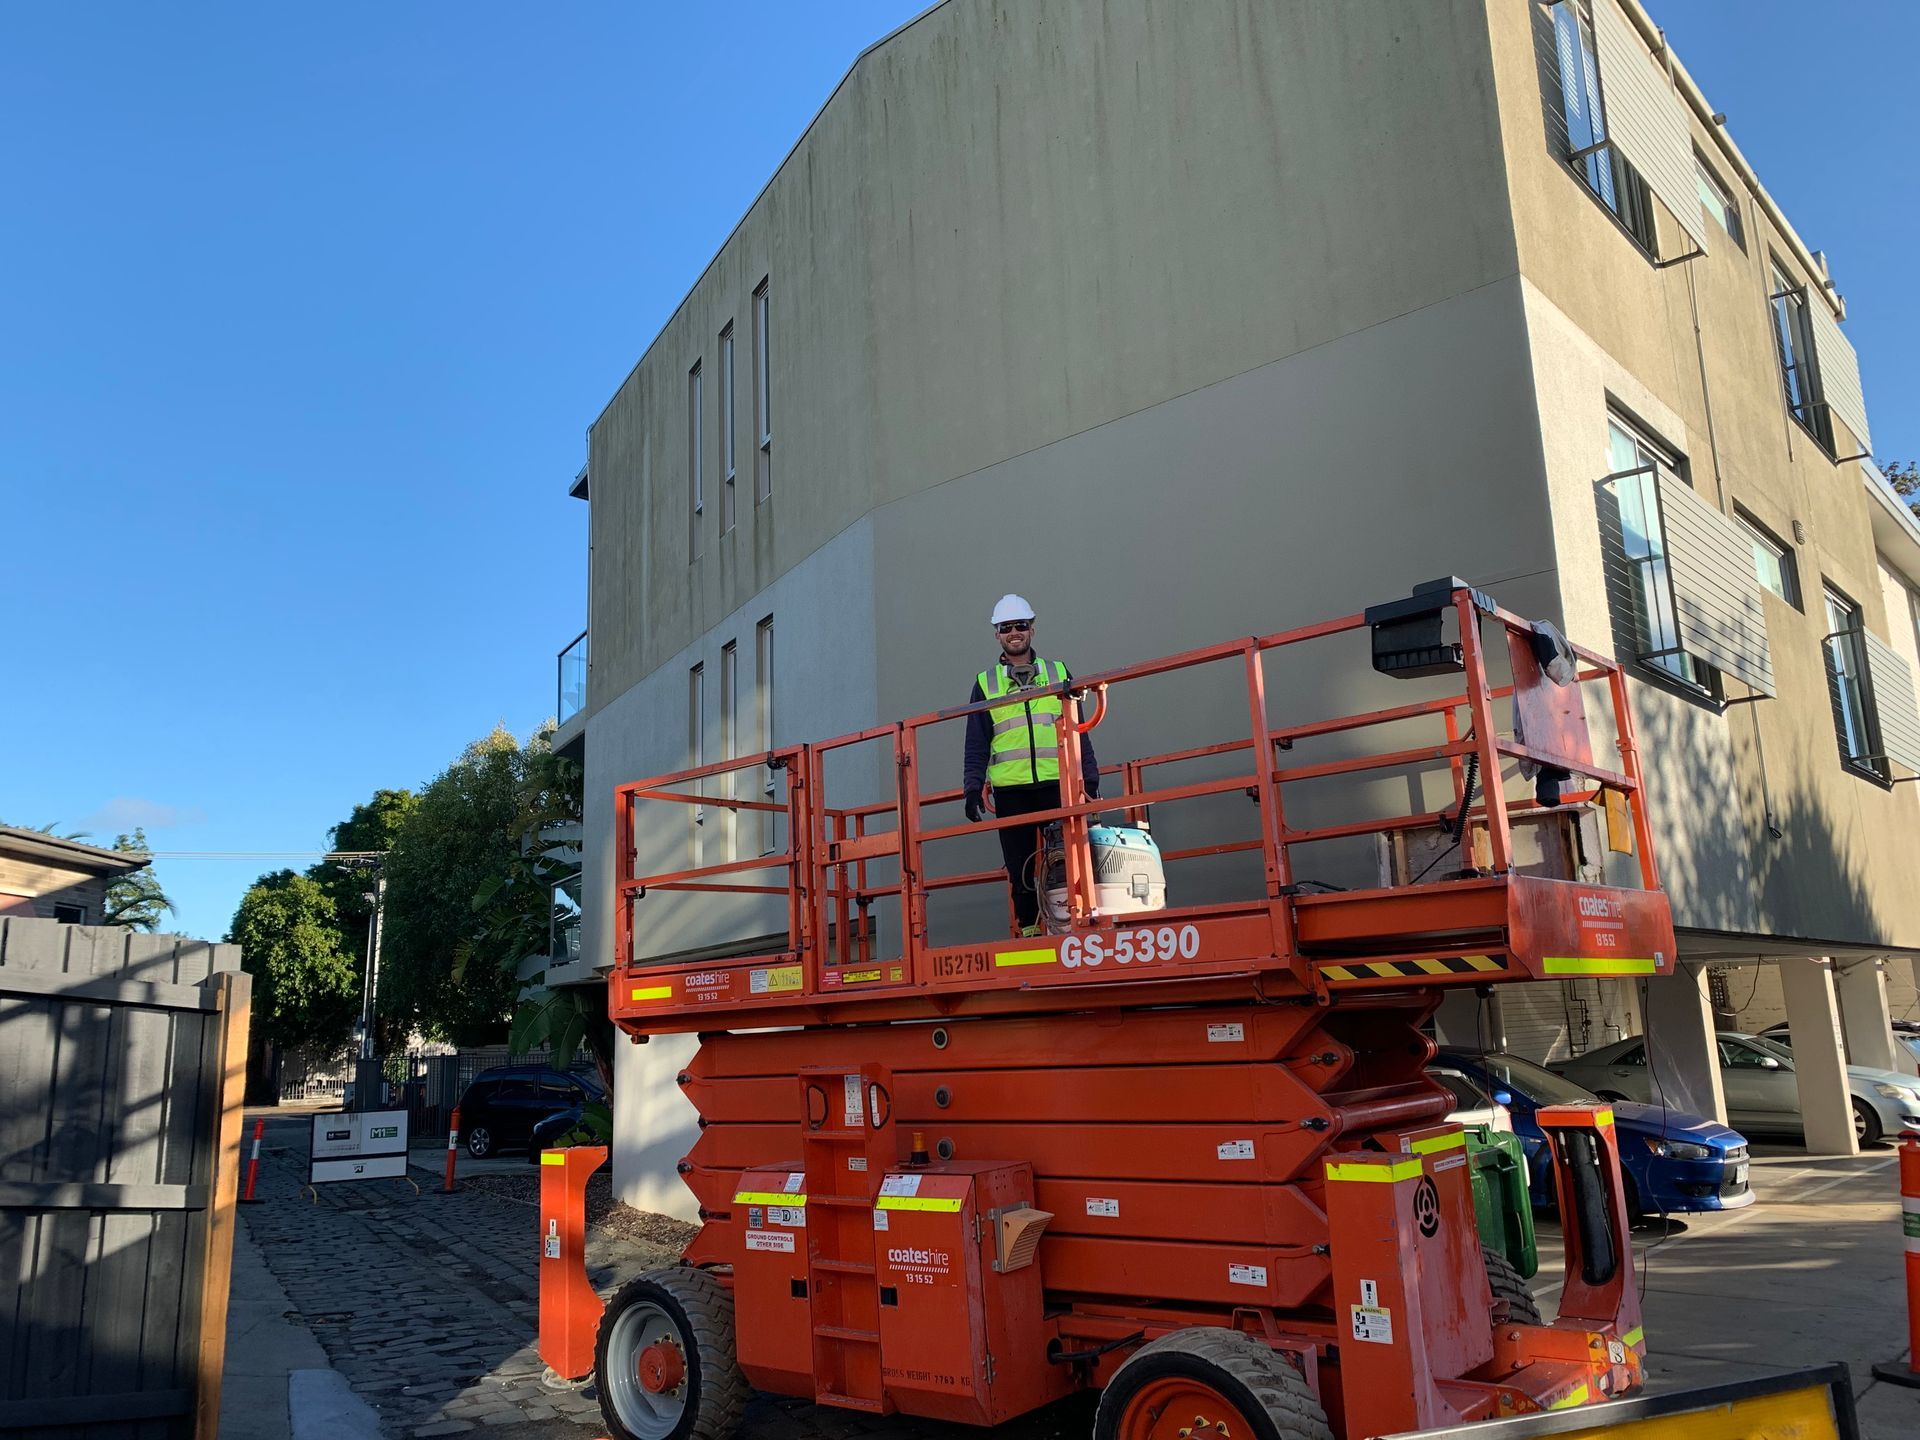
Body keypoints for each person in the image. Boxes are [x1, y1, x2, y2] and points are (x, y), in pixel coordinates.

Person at [962, 594, 1100, 938]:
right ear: (997, 634)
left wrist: (1090, 777)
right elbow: (977, 741)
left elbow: (1080, 729)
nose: (1014, 632)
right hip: (1012, 791)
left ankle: (1073, 925)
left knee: (1068, 861)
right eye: (1006, 627)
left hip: (1058, 783)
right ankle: (1030, 930)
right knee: (1020, 868)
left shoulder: (1058, 672)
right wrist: (972, 786)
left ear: (1032, 629)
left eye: (1020, 626)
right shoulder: (985, 683)